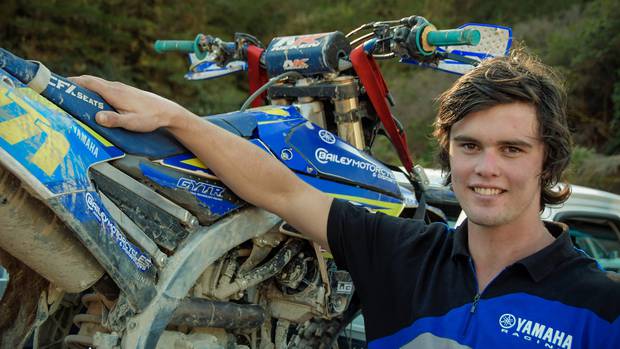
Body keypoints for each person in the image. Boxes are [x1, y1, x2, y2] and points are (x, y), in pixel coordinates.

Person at [71, 51, 620, 348]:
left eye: (512, 149)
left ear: (548, 162)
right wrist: (175, 118)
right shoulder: (399, 250)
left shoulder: (601, 309)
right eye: (469, 146)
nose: (486, 168)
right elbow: (280, 188)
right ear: (448, 153)